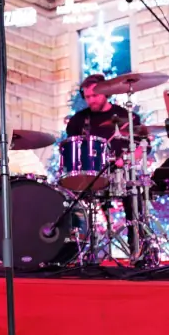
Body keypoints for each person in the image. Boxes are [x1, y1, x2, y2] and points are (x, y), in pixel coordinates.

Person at [65, 74, 143, 256]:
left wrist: (126, 160)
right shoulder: (78, 120)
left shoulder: (125, 116)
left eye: (95, 95)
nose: (91, 100)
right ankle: (76, 250)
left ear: (106, 92)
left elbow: (140, 148)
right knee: (68, 200)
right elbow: (71, 151)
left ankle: (137, 248)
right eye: (87, 97)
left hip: (120, 172)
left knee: (134, 193)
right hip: (91, 175)